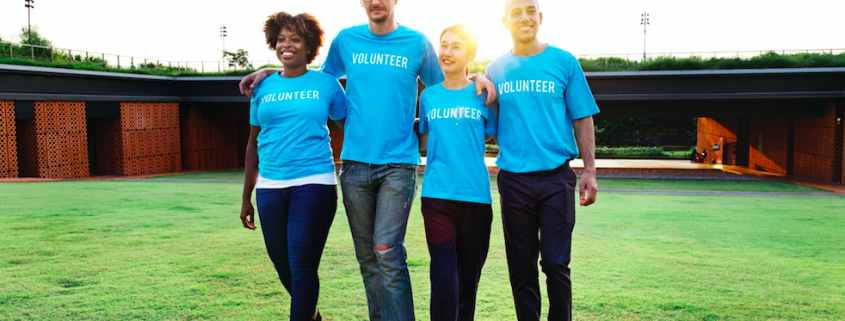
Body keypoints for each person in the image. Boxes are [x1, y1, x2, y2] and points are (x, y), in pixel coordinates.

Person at [238, 1, 497, 320]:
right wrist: (270, 74)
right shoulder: (346, 40)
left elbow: (447, 84)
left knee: (387, 252)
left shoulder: (417, 42)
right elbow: (316, 81)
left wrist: (478, 76)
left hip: (399, 165)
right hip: (354, 167)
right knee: (367, 259)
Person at [484, 0, 600, 320]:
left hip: (556, 179)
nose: (524, 17)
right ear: (505, 21)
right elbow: (485, 126)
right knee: (521, 268)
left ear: (540, 17)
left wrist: (589, 170)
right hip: (514, 180)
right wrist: (471, 86)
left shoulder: (564, 62)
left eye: (530, 10)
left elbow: (582, 118)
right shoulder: (495, 69)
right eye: (516, 12)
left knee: (555, 263)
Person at [239, 12, 346, 321]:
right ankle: (312, 317)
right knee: (283, 265)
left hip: (314, 183)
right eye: (282, 39)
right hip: (270, 187)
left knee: (301, 265)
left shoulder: (326, 85)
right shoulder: (263, 87)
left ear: (309, 44)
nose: (287, 45)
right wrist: (247, 195)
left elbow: (350, 127)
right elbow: (252, 144)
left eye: (295, 39)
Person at [417, 25, 497, 321]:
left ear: (471, 55)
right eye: (444, 45)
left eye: (456, 46)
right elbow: (426, 139)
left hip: (476, 198)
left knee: (467, 280)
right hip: (437, 197)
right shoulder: (428, 97)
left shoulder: (484, 95)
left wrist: (479, 77)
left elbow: (490, 135)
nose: (447, 52)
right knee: (443, 276)